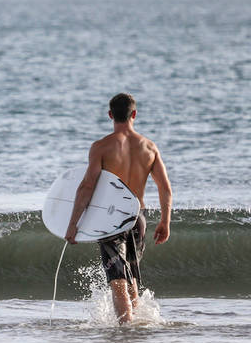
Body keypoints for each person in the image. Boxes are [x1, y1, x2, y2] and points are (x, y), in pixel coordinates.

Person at [65, 93, 172, 324]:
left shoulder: (101, 147)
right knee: (131, 276)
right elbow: (165, 188)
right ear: (134, 114)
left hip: (110, 220)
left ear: (110, 115)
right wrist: (165, 221)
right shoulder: (150, 147)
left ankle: (126, 333)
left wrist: (73, 224)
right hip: (138, 218)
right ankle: (135, 327)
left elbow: (87, 186)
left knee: (118, 282)